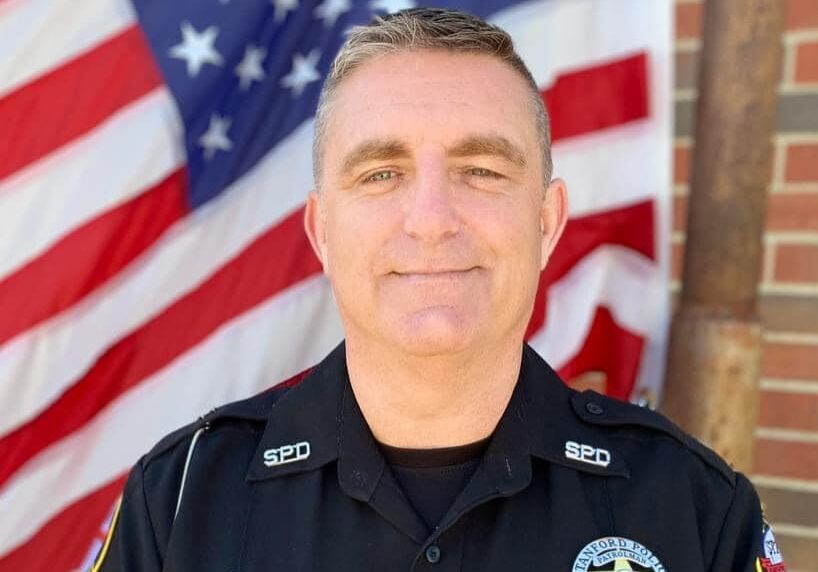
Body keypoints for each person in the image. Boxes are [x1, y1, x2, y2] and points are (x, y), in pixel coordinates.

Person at [93, 8, 785, 572]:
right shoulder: (181, 503)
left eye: (481, 170)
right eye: (381, 174)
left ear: (546, 224)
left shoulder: (693, 511)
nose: (431, 220)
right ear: (322, 231)